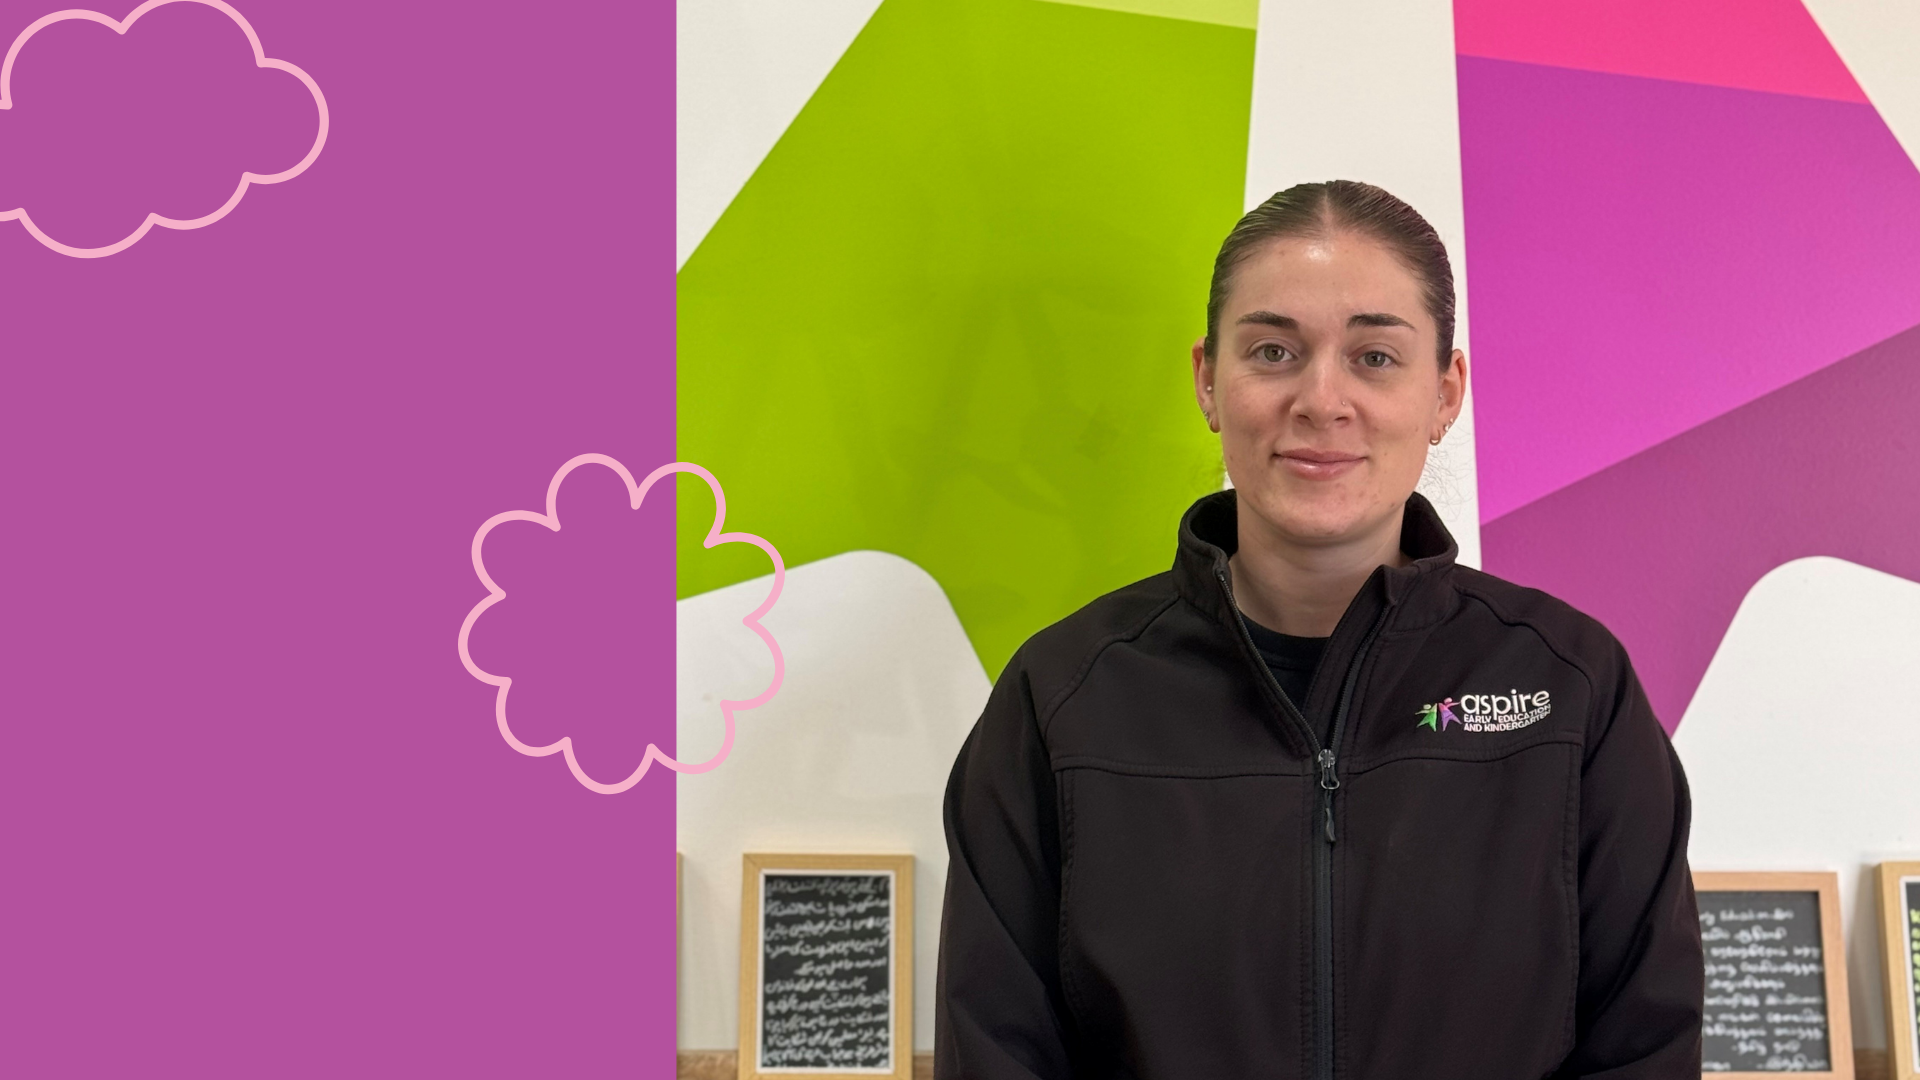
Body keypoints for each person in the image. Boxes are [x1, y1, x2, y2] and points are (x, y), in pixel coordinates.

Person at [933, 181, 1702, 1079]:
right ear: (1209, 381)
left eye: (1375, 357)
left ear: (1445, 393)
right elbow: (996, 1051)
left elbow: (1643, 1048)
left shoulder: (1573, 691)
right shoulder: (1062, 702)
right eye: (1273, 351)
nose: (1321, 399)